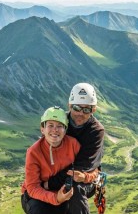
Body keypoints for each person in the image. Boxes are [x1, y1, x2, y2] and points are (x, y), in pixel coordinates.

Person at [44, 83, 105, 214]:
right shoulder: (59, 123)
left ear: (93, 110)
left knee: (74, 187)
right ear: (70, 105)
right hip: (58, 173)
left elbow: (79, 169)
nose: (80, 113)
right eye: (77, 108)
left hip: (85, 177)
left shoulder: (96, 131)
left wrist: (49, 184)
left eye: (86, 110)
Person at [21, 106, 81, 214]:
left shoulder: (73, 145)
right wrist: (56, 198)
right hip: (36, 197)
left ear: (65, 130)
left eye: (59, 126)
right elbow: (33, 187)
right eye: (50, 125)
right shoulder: (33, 152)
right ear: (42, 129)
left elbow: (86, 166)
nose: (55, 130)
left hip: (62, 193)